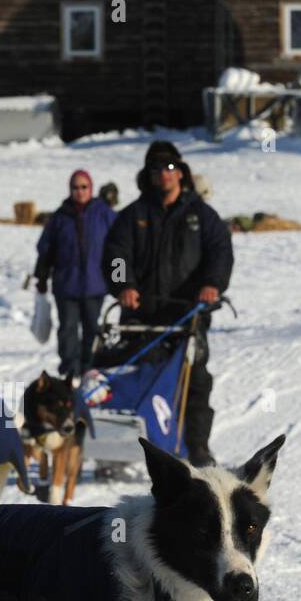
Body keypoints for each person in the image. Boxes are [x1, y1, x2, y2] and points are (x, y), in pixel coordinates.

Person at [102, 140, 233, 467]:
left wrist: (211, 285)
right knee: (136, 376)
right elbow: (116, 254)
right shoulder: (134, 215)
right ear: (148, 175)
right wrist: (124, 285)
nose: (165, 174)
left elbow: (220, 252)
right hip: (142, 314)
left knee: (195, 381)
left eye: (171, 168)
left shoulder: (201, 216)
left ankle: (197, 448)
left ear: (182, 173)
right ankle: (122, 447)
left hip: (188, 315)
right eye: (157, 169)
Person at [33, 169, 117, 381]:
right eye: (75, 187)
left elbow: (120, 249)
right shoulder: (59, 217)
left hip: (95, 285)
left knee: (92, 329)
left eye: (83, 187)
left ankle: (91, 368)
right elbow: (45, 249)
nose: (79, 191)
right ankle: (70, 370)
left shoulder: (104, 214)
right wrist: (41, 278)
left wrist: (120, 280)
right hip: (66, 285)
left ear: (91, 188)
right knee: (68, 330)